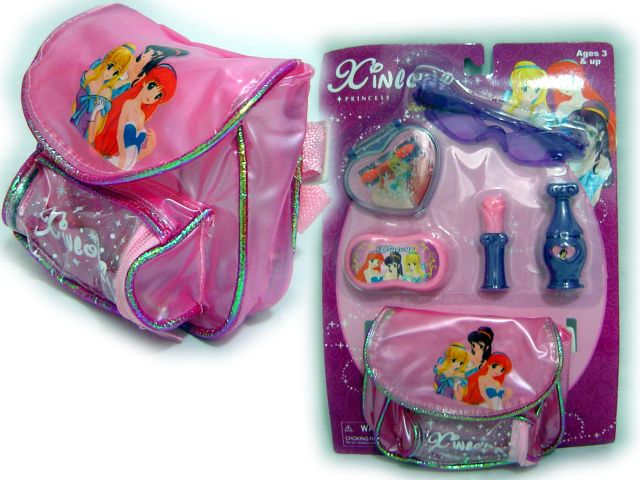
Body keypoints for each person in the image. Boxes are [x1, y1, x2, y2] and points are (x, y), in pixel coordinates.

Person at [93, 64, 177, 170]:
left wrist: (148, 150)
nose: (151, 96)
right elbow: (119, 136)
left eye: (158, 96)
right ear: (145, 82)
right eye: (151, 86)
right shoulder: (128, 104)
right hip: (117, 160)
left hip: (125, 162)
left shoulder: (142, 116)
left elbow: (133, 149)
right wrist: (122, 161)